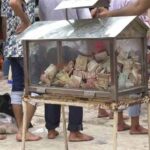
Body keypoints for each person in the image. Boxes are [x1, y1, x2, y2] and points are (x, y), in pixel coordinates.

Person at [38, 0, 94, 142]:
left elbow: (42, 17)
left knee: (52, 86)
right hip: (71, 43)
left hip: (51, 42)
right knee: (74, 86)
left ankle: (51, 129)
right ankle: (74, 131)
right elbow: (86, 19)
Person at [1, 0, 41, 141]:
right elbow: (14, 3)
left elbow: (4, 21)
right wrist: (26, 22)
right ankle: (23, 131)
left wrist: (5, 44)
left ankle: (21, 129)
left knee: (17, 88)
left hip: (11, 45)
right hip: (24, 45)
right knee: (36, 87)